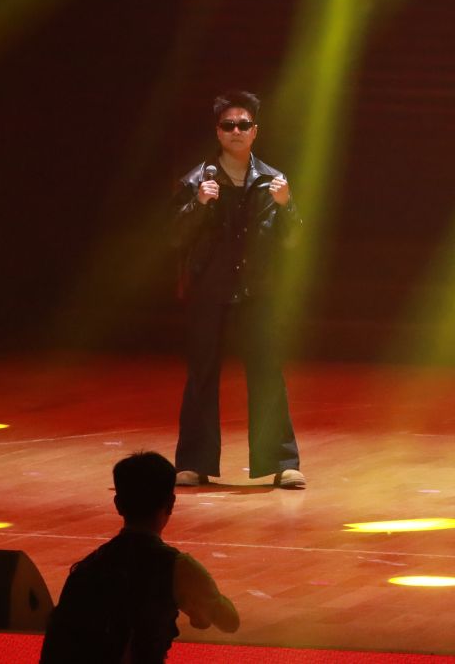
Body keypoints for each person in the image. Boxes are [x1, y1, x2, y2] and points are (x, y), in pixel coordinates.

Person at [171, 90, 302, 488]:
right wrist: (198, 204)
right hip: (209, 290)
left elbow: (294, 240)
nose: (236, 131)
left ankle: (281, 463)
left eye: (243, 125)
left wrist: (286, 206)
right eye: (228, 125)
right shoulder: (196, 181)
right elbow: (175, 237)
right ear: (218, 131)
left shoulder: (273, 181)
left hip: (256, 290)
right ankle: (193, 463)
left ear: (255, 131)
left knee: (266, 373)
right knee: (202, 374)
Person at [38, 450, 239, 663]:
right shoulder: (178, 568)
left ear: (118, 504)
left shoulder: (88, 568)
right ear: (170, 503)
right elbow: (229, 622)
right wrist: (199, 602)